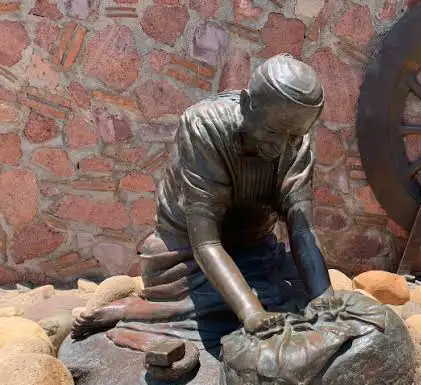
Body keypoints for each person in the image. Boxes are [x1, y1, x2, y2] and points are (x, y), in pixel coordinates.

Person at [72, 53, 336, 340]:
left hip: (254, 249)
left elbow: (302, 229)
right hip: (186, 257)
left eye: (294, 136)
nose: (281, 147)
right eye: (272, 131)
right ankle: (130, 311)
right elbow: (206, 243)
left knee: (300, 288)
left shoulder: (295, 138)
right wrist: (252, 312)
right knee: (249, 300)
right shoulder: (204, 125)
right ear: (246, 104)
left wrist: (323, 299)